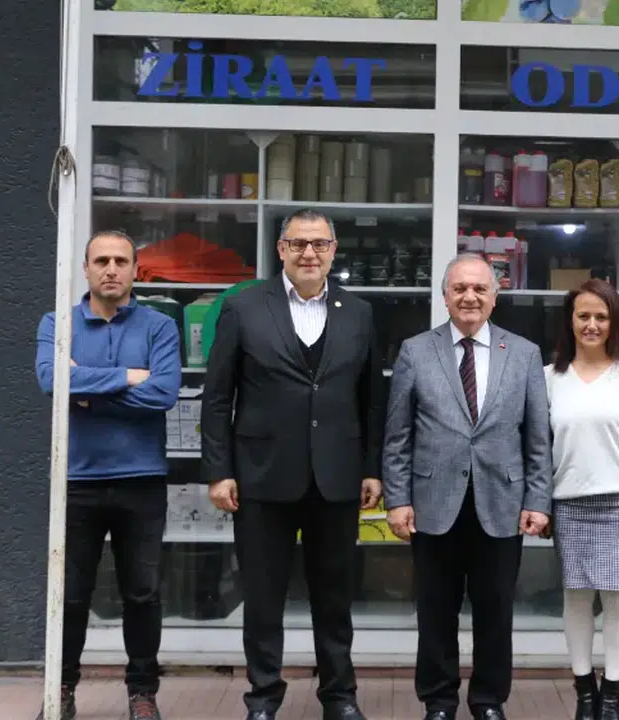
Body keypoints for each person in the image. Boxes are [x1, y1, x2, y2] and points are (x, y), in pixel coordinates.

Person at [201, 209, 385, 720]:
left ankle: (339, 697)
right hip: (260, 475)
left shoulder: (359, 313)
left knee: (335, 599)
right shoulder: (242, 307)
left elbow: (373, 400)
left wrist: (372, 468)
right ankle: (263, 698)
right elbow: (217, 397)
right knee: (263, 599)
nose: (309, 253)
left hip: (337, 477)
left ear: (333, 251)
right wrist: (218, 470)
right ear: (281, 249)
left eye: (319, 244)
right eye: (299, 243)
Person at [382, 253, 552, 720]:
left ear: (495, 296)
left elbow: (538, 438)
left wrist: (538, 500)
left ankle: (488, 699)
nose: (469, 297)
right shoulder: (416, 351)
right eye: (459, 289)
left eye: (479, 288)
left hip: (503, 503)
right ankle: (438, 701)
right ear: (445, 297)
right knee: (435, 610)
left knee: (496, 610)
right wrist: (397, 500)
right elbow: (398, 435)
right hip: (433, 504)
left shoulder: (524, 354)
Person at [33, 230, 182, 720]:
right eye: (101, 261)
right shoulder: (57, 322)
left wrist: (86, 391)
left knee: (143, 593)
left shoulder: (160, 327)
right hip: (77, 482)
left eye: (121, 261)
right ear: (85, 269)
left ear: (136, 270)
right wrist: (127, 377)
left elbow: (163, 394)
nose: (111, 269)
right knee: (71, 595)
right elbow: (51, 380)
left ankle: (142, 693)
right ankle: (61, 690)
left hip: (142, 480)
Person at [543, 278, 619, 720]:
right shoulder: (550, 378)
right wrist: (540, 503)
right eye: (583, 316)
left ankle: (611, 694)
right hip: (569, 502)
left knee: (617, 597)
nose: (591, 324)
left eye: (601, 316)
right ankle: (584, 692)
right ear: (570, 321)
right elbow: (538, 447)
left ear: (614, 322)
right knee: (576, 596)